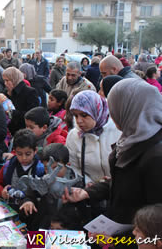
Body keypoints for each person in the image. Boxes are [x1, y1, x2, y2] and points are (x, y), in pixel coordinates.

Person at [63, 78, 162, 248]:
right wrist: (89, 193)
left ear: (129, 109)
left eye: (115, 106)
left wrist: (117, 242)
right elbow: (121, 182)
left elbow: (156, 222)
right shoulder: (130, 139)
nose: (112, 112)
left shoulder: (155, 155)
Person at [66, 90, 121, 185]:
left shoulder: (118, 130)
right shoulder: (74, 137)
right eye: (75, 115)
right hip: (91, 193)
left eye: (84, 115)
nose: (79, 121)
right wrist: (88, 182)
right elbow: (74, 167)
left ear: (97, 111)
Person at [19, 143, 75, 230]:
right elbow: (29, 194)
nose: (51, 173)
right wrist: (28, 201)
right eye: (47, 168)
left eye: (56, 168)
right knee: (33, 243)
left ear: (68, 165)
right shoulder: (42, 180)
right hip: (41, 228)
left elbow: (80, 217)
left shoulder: (76, 186)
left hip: (66, 233)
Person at [0, 129, 45, 201]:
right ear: (14, 151)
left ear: (35, 151)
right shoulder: (8, 166)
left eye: (28, 154)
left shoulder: (41, 169)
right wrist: (1, 191)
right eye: (19, 154)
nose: (24, 158)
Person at [3, 67, 39, 135]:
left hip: (23, 131)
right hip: (8, 130)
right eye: (4, 81)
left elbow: (33, 114)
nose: (5, 83)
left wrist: (12, 113)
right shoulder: (6, 92)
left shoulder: (30, 92)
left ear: (14, 79)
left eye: (7, 80)